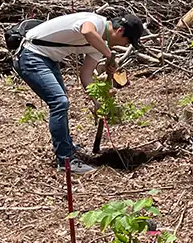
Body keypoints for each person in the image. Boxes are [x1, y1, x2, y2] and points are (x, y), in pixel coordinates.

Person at [14, 11, 144, 174]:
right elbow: (87, 31)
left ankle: (67, 145)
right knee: (59, 103)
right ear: (120, 32)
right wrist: (109, 55)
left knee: (61, 101)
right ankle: (65, 160)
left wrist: (97, 101)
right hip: (30, 54)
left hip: (49, 60)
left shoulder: (100, 44)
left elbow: (86, 75)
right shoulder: (95, 22)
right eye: (127, 42)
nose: (124, 46)